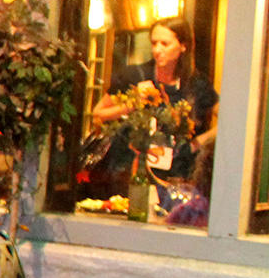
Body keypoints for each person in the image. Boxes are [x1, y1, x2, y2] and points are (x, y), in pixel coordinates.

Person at [90, 18, 218, 191]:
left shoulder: (195, 83)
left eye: (165, 44)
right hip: (130, 169)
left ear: (183, 46)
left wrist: (197, 143)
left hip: (176, 171)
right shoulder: (135, 75)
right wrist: (132, 103)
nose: (158, 50)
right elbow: (98, 113)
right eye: (154, 43)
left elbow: (227, 118)